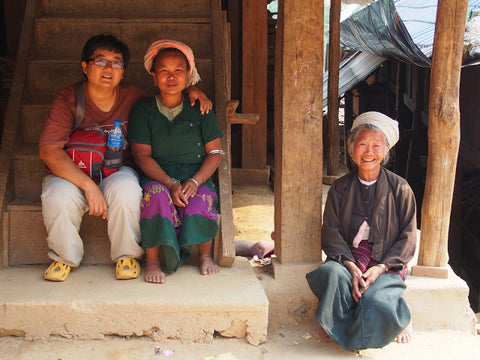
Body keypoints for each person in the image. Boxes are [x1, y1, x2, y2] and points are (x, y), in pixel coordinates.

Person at [39, 34, 212, 282]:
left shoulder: (135, 97)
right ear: (85, 67)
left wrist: (193, 89)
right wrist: (88, 186)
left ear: (123, 72)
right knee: (57, 196)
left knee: (127, 191)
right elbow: (49, 151)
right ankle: (63, 258)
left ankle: (127, 255)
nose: (109, 69)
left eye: (116, 63)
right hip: (75, 172)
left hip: (116, 169)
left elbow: (169, 92)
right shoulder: (68, 100)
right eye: (101, 61)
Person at [306, 111, 417, 350]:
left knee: (375, 299)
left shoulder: (401, 189)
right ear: (352, 148)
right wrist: (350, 265)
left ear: (386, 150)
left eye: (376, 145)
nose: (369, 152)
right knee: (330, 275)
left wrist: (381, 267)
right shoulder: (340, 188)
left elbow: (408, 236)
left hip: (386, 260)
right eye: (363, 144)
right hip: (350, 257)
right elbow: (331, 231)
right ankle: (340, 318)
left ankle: (399, 315)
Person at [128, 39, 224, 284]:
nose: (171, 77)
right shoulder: (143, 110)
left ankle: (205, 255)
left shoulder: (200, 108)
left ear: (188, 74)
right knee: (155, 197)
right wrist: (170, 183)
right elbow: (142, 155)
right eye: (164, 71)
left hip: (195, 173)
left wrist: (196, 180)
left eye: (178, 70)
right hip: (158, 174)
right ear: (153, 75)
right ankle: (152, 261)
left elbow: (215, 153)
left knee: (201, 198)